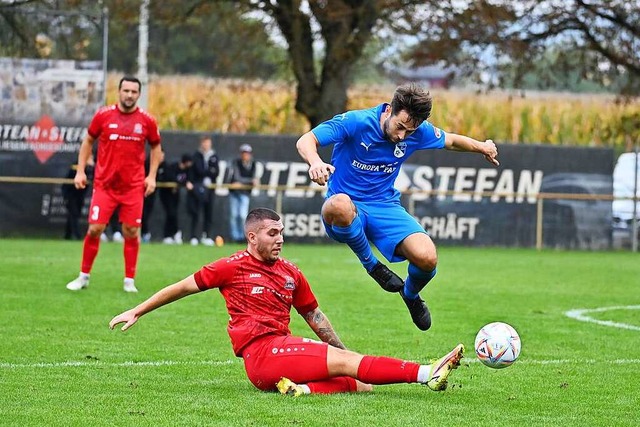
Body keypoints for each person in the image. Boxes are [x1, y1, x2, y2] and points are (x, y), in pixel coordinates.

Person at [109, 208, 465, 396]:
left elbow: (314, 316)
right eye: (272, 233)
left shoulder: (290, 272)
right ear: (252, 236)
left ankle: (303, 391)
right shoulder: (229, 267)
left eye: (282, 233)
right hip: (262, 354)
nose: (280, 239)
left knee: (362, 384)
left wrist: (346, 355)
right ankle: (425, 374)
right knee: (351, 368)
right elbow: (181, 287)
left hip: (283, 352)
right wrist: (137, 310)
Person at [296, 82, 499, 331]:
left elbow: (452, 141)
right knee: (338, 204)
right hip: (347, 207)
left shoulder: (418, 131)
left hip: (385, 206)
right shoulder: (357, 122)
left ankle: (411, 295)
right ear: (389, 110)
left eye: (410, 131)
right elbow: (307, 139)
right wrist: (315, 162)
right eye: (400, 126)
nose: (402, 135)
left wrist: (483, 147)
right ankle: (372, 265)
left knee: (427, 258)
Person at [65, 75, 162, 293]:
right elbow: (88, 141)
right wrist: (80, 171)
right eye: (126, 91)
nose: (129, 95)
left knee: (131, 231)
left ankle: (129, 280)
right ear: (119, 92)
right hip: (105, 185)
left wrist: (152, 176)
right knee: (95, 228)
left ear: (139, 94)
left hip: (133, 186)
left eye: (134, 92)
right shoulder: (103, 115)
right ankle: (83, 276)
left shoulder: (147, 120)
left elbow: (156, 148)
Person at [186, 136, 219, 246]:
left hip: (210, 188)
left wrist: (207, 171)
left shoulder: (214, 156)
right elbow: (198, 170)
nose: (206, 145)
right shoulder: (196, 155)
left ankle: (207, 236)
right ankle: (194, 236)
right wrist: (208, 171)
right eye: (204, 143)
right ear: (201, 144)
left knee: (208, 213)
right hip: (198, 188)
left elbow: (215, 172)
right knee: (196, 212)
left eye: (208, 143)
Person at [158, 153, 193, 244]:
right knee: (171, 213)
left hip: (175, 195)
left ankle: (173, 234)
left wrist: (182, 183)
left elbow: (186, 180)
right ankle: (170, 234)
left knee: (173, 214)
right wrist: (182, 183)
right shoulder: (173, 167)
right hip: (166, 194)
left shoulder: (187, 170)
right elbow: (170, 178)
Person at [228, 143, 258, 242]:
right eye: (244, 153)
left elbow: (254, 179)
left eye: (247, 153)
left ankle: (242, 236)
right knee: (234, 215)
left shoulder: (253, 164)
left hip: (245, 192)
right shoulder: (236, 162)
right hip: (234, 192)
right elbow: (236, 177)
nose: (246, 155)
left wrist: (243, 183)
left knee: (242, 215)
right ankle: (235, 237)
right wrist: (249, 181)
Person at [62, 156, 94, 240]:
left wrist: (91, 166)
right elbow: (74, 173)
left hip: (80, 195)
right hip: (70, 194)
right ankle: (77, 235)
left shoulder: (92, 166)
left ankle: (67, 235)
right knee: (74, 213)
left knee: (74, 214)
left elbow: (92, 176)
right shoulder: (77, 165)